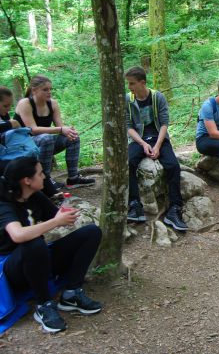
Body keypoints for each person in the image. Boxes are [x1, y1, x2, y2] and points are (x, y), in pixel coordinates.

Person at [0, 157, 102, 333]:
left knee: (91, 233)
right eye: (40, 174)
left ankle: (72, 292)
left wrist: (67, 213)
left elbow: (57, 217)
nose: (45, 177)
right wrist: (56, 222)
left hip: (39, 259)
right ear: (27, 180)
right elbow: (18, 235)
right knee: (33, 242)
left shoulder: (35, 196)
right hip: (13, 269)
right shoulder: (5, 205)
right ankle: (44, 304)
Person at [124, 67, 187, 231]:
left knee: (173, 166)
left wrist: (157, 146)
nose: (129, 87)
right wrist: (143, 144)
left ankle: (174, 209)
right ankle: (135, 204)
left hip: (159, 138)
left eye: (132, 83)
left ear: (142, 83)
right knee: (129, 162)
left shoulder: (157, 97)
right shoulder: (128, 100)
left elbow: (164, 123)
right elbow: (129, 127)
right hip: (139, 139)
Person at [13, 75, 95, 193]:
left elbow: (59, 127)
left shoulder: (53, 104)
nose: (49, 92)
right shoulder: (25, 103)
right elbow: (32, 130)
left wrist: (68, 131)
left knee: (72, 138)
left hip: (42, 143)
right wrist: (61, 129)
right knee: (47, 138)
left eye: (50, 89)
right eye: (45, 90)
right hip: (24, 145)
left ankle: (73, 178)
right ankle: (45, 180)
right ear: (34, 90)